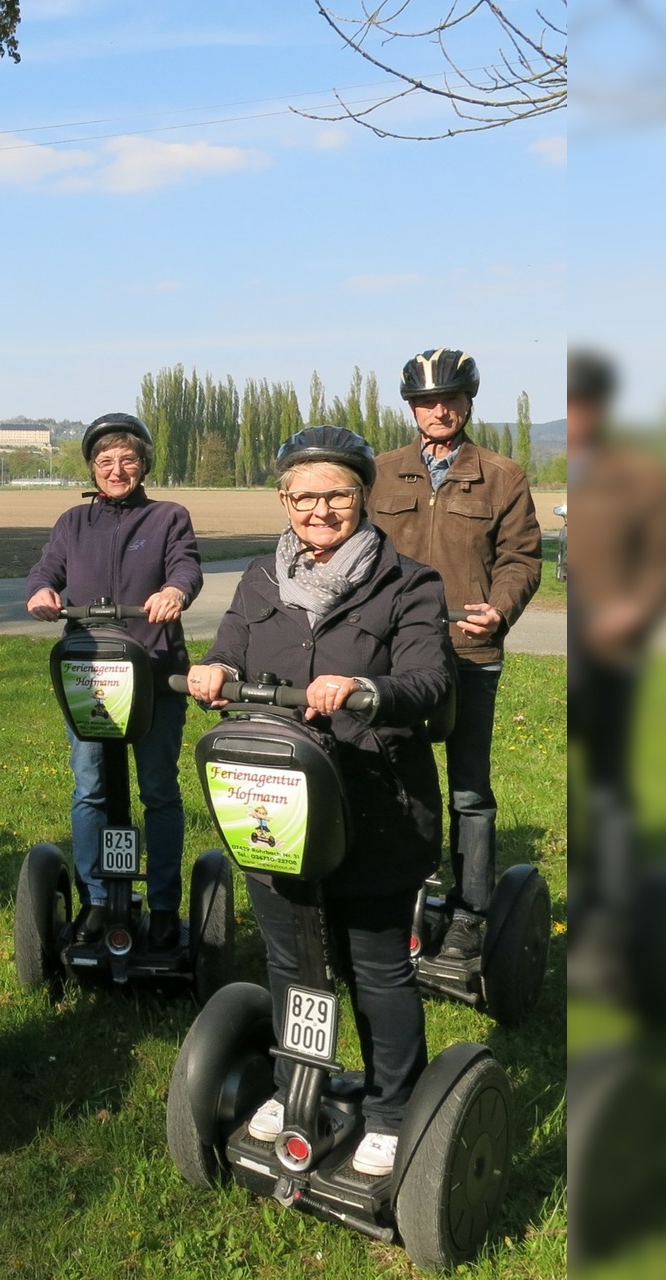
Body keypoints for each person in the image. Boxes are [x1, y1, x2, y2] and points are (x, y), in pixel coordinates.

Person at [185, 425, 454, 1178]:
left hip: (376, 805)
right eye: (303, 496)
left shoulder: (409, 583)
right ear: (283, 500)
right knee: (293, 957)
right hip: (276, 802)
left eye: (336, 493)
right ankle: (296, 1079)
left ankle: (392, 1108)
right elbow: (231, 647)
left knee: (376, 967)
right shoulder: (260, 580)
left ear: (362, 496)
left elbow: (430, 682)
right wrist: (211, 671)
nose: (319, 509)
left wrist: (364, 690)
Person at [367, 348, 540, 963]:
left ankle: (470, 911)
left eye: (449, 399)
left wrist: (500, 607)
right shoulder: (379, 472)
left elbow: (521, 558)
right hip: (392, 655)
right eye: (424, 401)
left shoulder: (501, 474)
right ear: (411, 407)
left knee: (469, 789)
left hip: (469, 651)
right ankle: (393, 895)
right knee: (388, 779)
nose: (437, 411)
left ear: (467, 403)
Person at [25, 412, 202, 948]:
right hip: (90, 676)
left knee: (159, 791)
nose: (116, 469)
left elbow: (187, 568)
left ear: (143, 463)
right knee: (91, 788)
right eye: (105, 461)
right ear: (92, 469)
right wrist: (41, 593)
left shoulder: (168, 517)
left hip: (153, 671)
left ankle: (166, 905)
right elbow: (45, 571)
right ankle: (98, 899)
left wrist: (174, 592)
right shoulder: (72, 523)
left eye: (127, 459)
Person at [562, 349, 666, 952]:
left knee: (609, 782)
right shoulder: (570, 475)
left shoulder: (641, 477)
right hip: (572, 648)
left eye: (580, 406)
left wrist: (634, 611)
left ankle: (613, 909)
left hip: (615, 653)